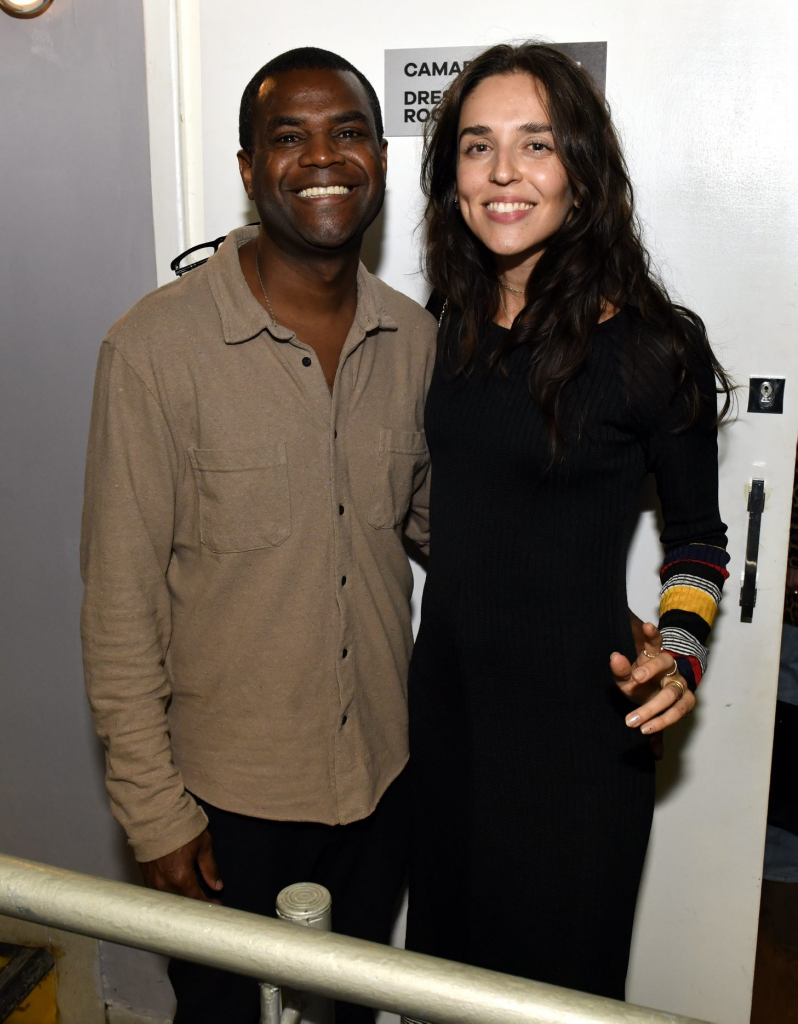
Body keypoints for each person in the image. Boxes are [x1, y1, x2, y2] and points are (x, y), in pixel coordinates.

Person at [80, 48, 436, 1024]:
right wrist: (154, 811)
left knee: (349, 1010)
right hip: (223, 803)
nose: (322, 158)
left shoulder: (417, 341)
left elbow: (444, 527)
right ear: (248, 167)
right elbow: (119, 603)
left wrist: (579, 594)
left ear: (380, 156)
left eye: (347, 132)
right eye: (289, 137)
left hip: (383, 780)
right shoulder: (154, 349)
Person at [403, 42, 731, 1004]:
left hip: (581, 738)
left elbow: (698, 540)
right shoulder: (445, 325)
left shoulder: (653, 347)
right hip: (449, 715)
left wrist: (680, 651)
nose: (503, 172)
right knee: (443, 984)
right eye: (477, 147)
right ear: (453, 179)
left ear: (580, 173)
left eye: (535, 144)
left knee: (555, 994)